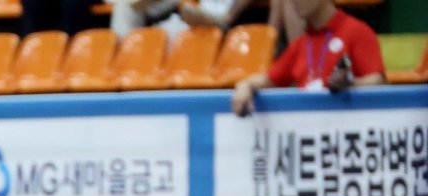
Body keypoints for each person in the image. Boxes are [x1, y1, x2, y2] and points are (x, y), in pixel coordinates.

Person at [232, 0, 385, 117]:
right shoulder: (300, 44)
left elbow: (377, 81)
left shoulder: (357, 31)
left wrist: (351, 84)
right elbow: (267, 79)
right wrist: (245, 85)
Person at [111, 0, 251, 41]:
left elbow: (227, 19)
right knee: (125, 7)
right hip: (189, 10)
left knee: (186, 9)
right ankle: (123, 56)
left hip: (217, 19)